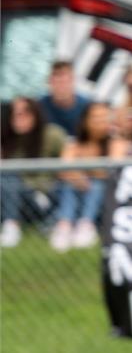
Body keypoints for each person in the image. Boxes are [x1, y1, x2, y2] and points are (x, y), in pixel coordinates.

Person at [51, 102, 128, 252]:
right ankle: (64, 226)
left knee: (96, 184)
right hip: (76, 189)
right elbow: (63, 169)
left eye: (103, 117)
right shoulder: (74, 143)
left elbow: (112, 171)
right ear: (85, 120)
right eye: (95, 117)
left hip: (104, 195)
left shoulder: (115, 142)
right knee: (69, 184)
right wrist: (79, 177)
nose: (99, 121)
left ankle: (86, 225)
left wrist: (82, 171)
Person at [1, 97, 67, 247]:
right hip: (12, 198)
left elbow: (69, 159)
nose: (19, 118)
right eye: (14, 114)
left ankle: (12, 226)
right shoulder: (8, 138)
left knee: (9, 175)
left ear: (35, 114)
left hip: (40, 198)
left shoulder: (51, 134)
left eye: (25, 113)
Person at [38, 60, 90, 138]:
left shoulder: (88, 108)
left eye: (64, 81)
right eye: (57, 80)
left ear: (73, 80)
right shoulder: (39, 107)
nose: (60, 85)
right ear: (49, 81)